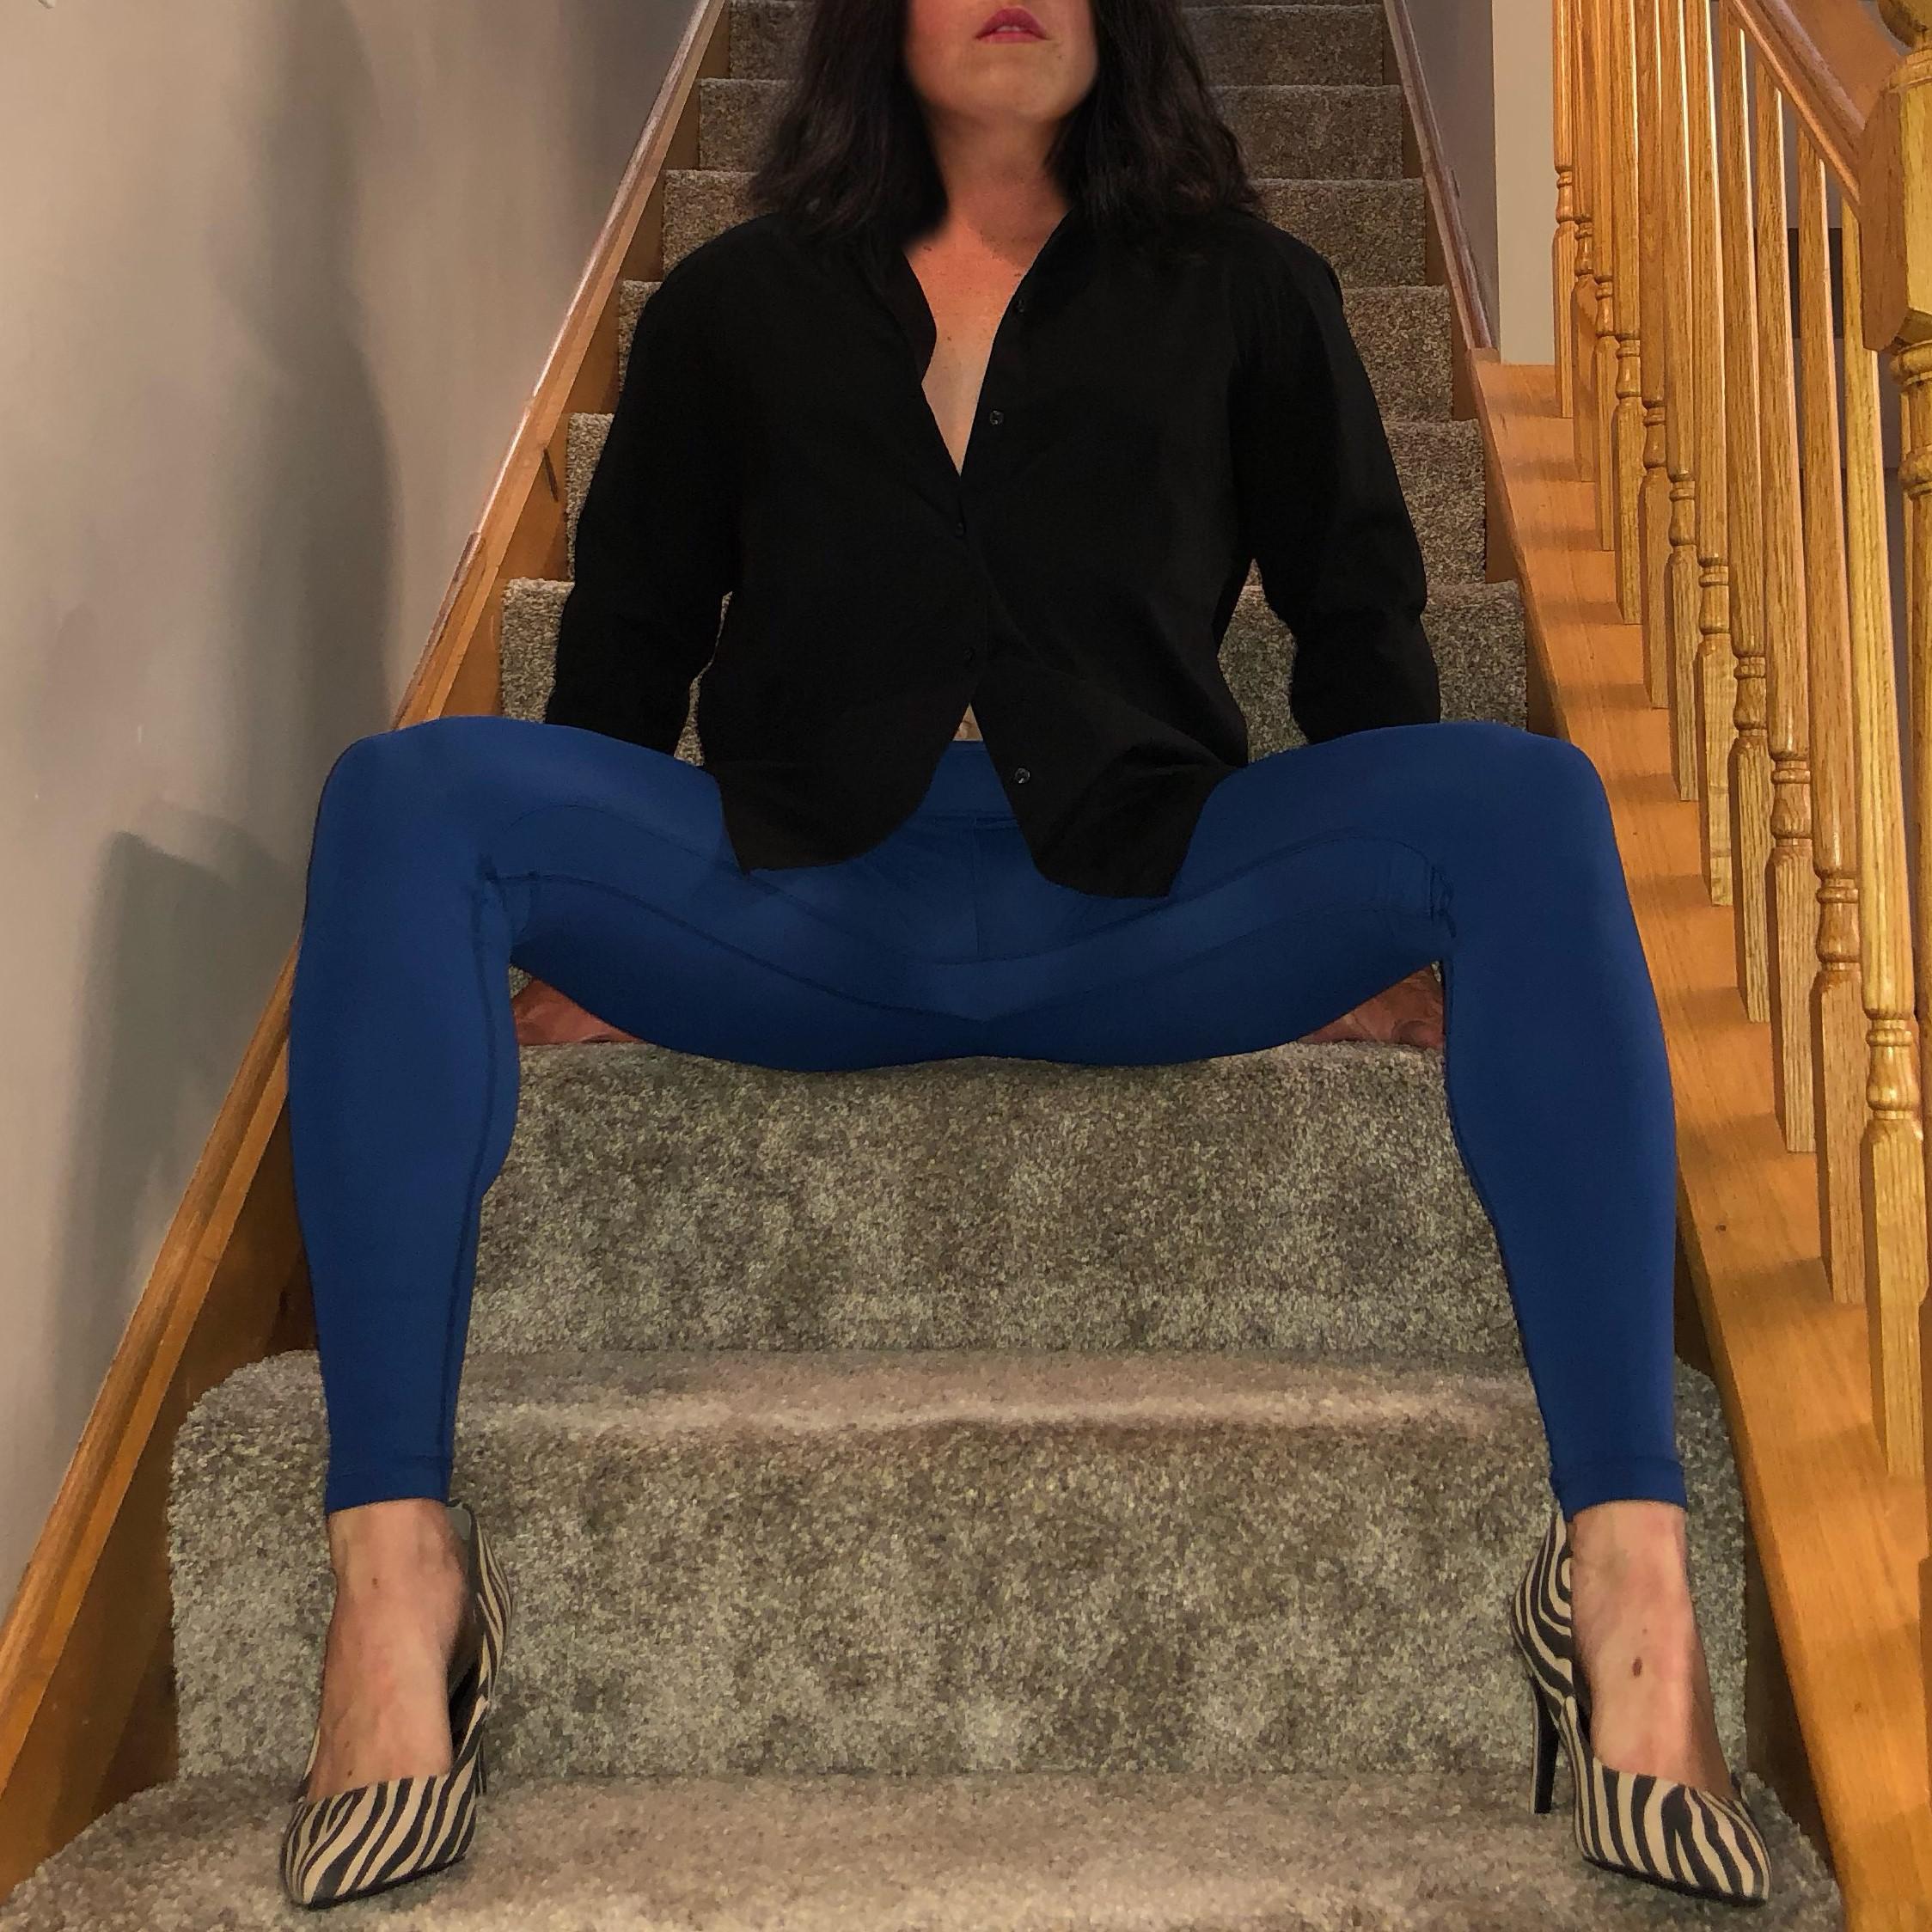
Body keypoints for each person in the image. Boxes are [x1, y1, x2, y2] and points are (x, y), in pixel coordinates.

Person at [274, 0, 1770, 1908]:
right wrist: (578, 921)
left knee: (1528, 797)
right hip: (803, 900)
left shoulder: (1256, 289)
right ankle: (397, 1582)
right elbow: (623, 656)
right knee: (405, 799)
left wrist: (1384, 917)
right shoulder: (732, 300)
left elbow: (1361, 635)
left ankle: (1627, 1583)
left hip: (1142, 900)